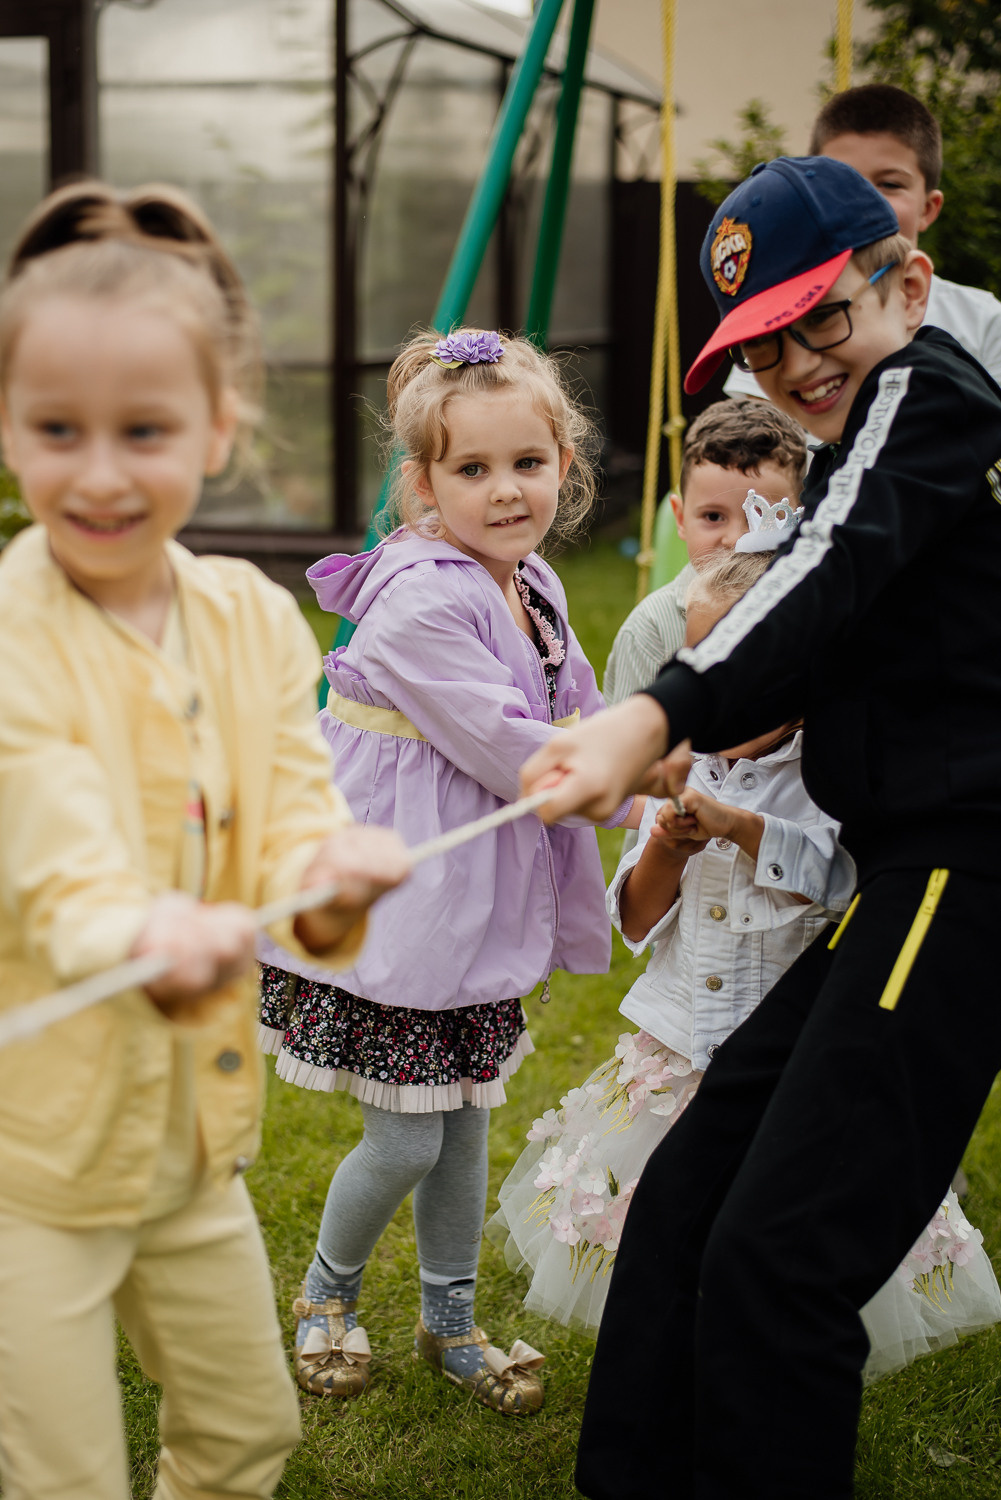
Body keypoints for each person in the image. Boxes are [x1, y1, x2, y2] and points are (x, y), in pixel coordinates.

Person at [519, 155, 1001, 1497]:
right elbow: (797, 598)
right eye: (760, 343)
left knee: (780, 1254)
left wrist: (652, 712)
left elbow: (830, 577)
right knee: (683, 1205)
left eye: (818, 320)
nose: (792, 360)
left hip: (963, 880)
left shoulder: (929, 394)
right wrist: (659, 730)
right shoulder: (862, 447)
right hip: (893, 883)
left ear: (905, 281)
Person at [0, 182, 411, 1500]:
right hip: (32, 1165)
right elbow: (53, 840)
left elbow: (296, 807)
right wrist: (136, 933)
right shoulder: (9, 639)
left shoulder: (250, 616)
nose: (101, 471)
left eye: (146, 429)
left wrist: (327, 880)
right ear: (8, 426)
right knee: (63, 1481)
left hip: (189, 1148)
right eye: (56, 429)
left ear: (221, 425)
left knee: (245, 1437)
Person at [495, 549, 998, 1373]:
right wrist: (666, 844)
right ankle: (669, 1357)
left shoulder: (837, 775)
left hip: (788, 1059)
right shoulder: (678, 768)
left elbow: (844, 881)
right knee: (665, 1219)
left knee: (776, 1225)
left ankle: (750, 1360)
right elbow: (633, 913)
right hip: (682, 1046)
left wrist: (741, 828)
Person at [258, 327, 633, 1416]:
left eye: (525, 463)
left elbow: (580, 711)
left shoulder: (531, 581)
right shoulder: (426, 598)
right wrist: (614, 776)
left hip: (467, 907)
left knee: (465, 1114)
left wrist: (649, 763)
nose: (503, 491)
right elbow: (513, 745)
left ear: (564, 466)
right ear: (422, 486)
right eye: (470, 470)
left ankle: (450, 1317)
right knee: (409, 1131)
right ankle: (325, 1297)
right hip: (399, 905)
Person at [726, 83, 1001, 401]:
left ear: (928, 208)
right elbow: (754, 431)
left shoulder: (983, 322)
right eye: (842, 181)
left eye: (889, 184)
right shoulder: (779, 311)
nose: (863, 200)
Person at [602, 398, 807, 708]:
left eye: (761, 517)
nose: (737, 540)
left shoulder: (812, 609)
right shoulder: (652, 630)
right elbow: (630, 745)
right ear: (681, 518)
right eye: (713, 517)